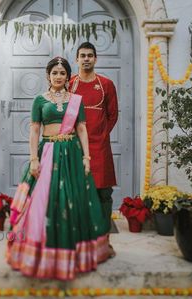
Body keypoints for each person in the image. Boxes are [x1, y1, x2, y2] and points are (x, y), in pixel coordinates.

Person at [6, 57, 111, 280]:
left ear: (67, 76)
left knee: (74, 199)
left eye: (63, 73)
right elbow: (34, 130)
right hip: (48, 153)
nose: (58, 76)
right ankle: (41, 253)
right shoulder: (39, 100)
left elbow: (82, 129)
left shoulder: (76, 100)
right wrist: (33, 159)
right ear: (48, 75)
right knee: (44, 200)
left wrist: (87, 157)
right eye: (54, 73)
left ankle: (75, 253)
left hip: (72, 153)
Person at [69, 42, 118, 257]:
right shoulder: (70, 85)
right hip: (75, 147)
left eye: (90, 55)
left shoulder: (106, 84)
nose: (86, 59)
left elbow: (113, 114)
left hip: (100, 148)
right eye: (82, 55)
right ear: (77, 60)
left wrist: (100, 134)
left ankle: (103, 242)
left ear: (95, 59)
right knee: (77, 192)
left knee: (103, 193)